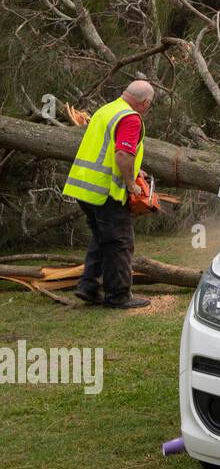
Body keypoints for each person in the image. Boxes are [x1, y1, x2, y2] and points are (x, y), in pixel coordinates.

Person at [62, 80, 154, 308]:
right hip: (106, 192)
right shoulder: (130, 117)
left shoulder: (107, 110)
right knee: (119, 242)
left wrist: (136, 169)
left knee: (101, 238)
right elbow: (122, 154)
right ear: (146, 102)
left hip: (84, 188)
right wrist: (131, 183)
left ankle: (88, 286)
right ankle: (118, 296)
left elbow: (107, 149)